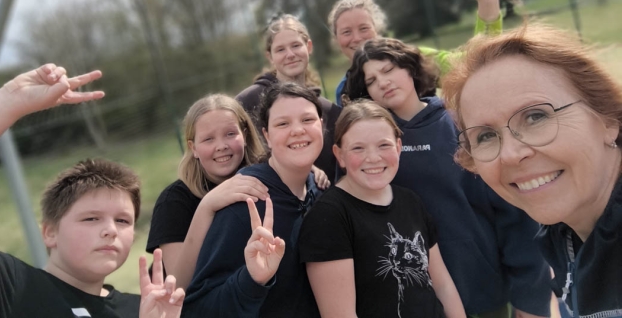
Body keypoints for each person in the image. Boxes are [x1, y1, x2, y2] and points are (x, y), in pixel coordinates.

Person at [345, 39, 552, 318]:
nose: (383, 82)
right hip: (410, 301)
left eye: (389, 69)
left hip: (483, 291)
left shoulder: (461, 124)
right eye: (371, 80)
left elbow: (512, 213)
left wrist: (530, 299)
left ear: (410, 68)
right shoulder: (369, 145)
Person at [441, 24, 622, 317]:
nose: (510, 155)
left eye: (536, 116)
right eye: (485, 136)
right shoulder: (566, 232)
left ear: (608, 119)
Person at [0, 63, 184, 318]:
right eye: (91, 218)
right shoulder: (8, 286)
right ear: (50, 232)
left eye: (123, 220)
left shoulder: (148, 308)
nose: (111, 230)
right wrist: (10, 100)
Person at [300, 100, 466, 318]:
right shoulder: (329, 217)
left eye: (384, 145)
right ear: (339, 155)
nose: (373, 158)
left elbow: (442, 284)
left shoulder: (410, 201)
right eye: (358, 148)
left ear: (398, 147)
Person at [183, 82, 325, 318]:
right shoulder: (246, 201)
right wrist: (251, 280)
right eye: (283, 123)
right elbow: (196, 309)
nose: (298, 130)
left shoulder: (320, 191)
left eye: (307, 119)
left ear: (322, 125)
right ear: (266, 135)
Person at [146, 94, 269, 288]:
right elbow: (177, 286)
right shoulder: (173, 201)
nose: (221, 146)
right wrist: (207, 206)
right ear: (193, 148)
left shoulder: (265, 178)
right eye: (208, 139)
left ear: (244, 135)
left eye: (230, 134)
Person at [328, 0, 505, 106]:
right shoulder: (344, 92)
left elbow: (473, 64)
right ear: (336, 40)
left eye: (364, 28)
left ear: (378, 30)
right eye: (346, 32)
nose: (357, 38)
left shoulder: (412, 58)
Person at [236, 13, 341, 182]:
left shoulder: (331, 112)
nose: (290, 54)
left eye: (296, 45)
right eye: (280, 49)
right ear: (270, 56)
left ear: (309, 47)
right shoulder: (247, 101)